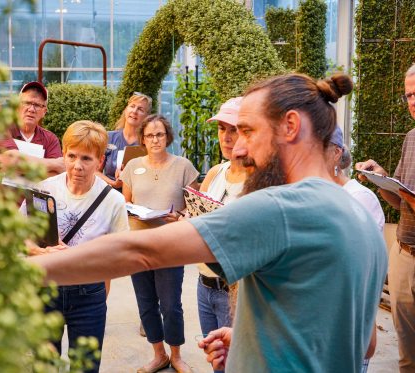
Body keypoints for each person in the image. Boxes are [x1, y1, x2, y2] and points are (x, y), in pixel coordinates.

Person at [29, 73, 388, 373]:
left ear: (290, 126)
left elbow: (139, 252)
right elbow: (364, 342)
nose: (239, 149)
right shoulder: (358, 213)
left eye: (247, 131)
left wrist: (20, 272)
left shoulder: (280, 208)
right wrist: (254, 340)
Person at [26, 120, 129, 373]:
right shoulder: (44, 189)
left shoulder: (113, 201)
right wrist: (42, 252)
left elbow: (121, 258)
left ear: (100, 161)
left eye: (86, 158)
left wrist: (76, 258)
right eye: (71, 156)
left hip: (88, 296)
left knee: (86, 367)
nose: (77, 166)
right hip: (46, 290)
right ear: (63, 154)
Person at [120, 114, 199, 373]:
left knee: (171, 305)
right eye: (150, 135)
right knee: (146, 302)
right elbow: (126, 204)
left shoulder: (183, 166)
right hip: (139, 245)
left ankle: (176, 355)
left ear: (168, 137)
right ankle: (158, 354)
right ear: (142, 138)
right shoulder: (132, 167)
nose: (155, 139)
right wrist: (135, 211)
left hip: (170, 245)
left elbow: (195, 208)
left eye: (160, 134)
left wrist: (180, 216)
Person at [356, 63, 415, 372]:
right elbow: (399, 200)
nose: (412, 102)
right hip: (404, 253)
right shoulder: (411, 137)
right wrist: (381, 179)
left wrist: (405, 195)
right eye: (408, 95)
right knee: (406, 349)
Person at [195, 97, 246, 373]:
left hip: (234, 290)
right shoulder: (215, 172)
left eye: (233, 129)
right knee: (217, 363)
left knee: (238, 364)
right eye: (221, 129)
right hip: (204, 285)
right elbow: (196, 218)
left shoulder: (258, 180)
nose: (226, 137)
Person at [327, 126, 384, 372]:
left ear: (336, 153)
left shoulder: (360, 198)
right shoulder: (310, 193)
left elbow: (365, 274)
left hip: (347, 328)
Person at [0, 81, 65, 176]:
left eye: (37, 105)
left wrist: (19, 167)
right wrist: (53, 164)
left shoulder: (51, 139)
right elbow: (11, 160)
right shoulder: (0, 129)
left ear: (44, 111)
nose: (31, 109)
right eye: (27, 103)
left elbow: (55, 175)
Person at [98, 92, 152, 189]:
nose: (134, 111)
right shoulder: (108, 137)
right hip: (109, 194)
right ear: (126, 110)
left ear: (146, 116)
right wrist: (113, 183)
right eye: (132, 106)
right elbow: (94, 171)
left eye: (140, 109)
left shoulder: (148, 143)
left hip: (136, 196)